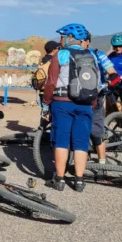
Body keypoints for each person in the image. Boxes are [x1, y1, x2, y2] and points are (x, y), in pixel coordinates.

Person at [42, 23, 101, 192]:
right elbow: (96, 83)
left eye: (62, 37)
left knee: (62, 140)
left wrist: (46, 104)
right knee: (81, 142)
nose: (60, 40)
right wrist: (92, 104)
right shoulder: (92, 56)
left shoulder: (61, 55)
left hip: (62, 103)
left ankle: (59, 179)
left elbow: (51, 82)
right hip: (85, 104)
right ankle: (79, 180)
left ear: (69, 38)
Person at [82, 32, 120, 164]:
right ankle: (84, 158)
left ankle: (102, 162)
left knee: (97, 129)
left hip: (96, 95)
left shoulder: (98, 55)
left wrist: (108, 84)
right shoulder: (71, 54)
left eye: (81, 41)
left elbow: (113, 74)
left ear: (87, 41)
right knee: (81, 127)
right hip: (77, 96)